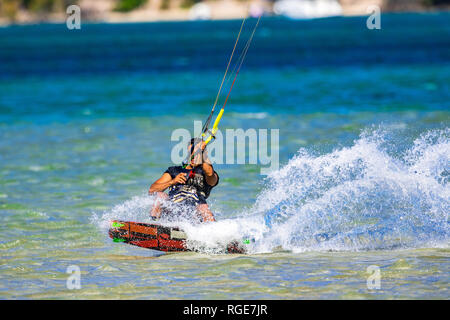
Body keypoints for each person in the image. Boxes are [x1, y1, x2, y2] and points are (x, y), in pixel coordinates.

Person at [148, 138, 219, 222]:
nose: (192, 155)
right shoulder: (174, 170)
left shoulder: (206, 173)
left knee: (203, 207)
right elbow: (152, 190)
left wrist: (202, 152)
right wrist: (172, 182)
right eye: (190, 152)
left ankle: (213, 231)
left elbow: (210, 173)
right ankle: (152, 225)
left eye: (196, 153)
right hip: (172, 209)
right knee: (160, 196)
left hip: (194, 213)